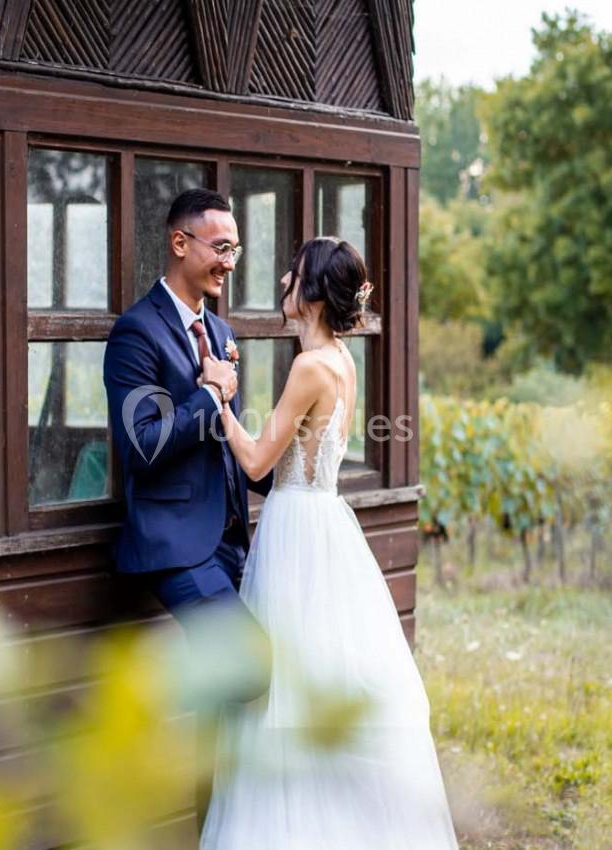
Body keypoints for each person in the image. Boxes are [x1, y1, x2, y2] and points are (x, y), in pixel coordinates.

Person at [199, 237, 459, 849]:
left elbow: (260, 460)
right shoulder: (342, 360)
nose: (283, 282)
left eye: (292, 277)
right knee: (315, 677)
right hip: (326, 527)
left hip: (295, 531)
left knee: (283, 691)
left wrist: (220, 396)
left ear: (310, 293)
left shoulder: (310, 366)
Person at [102, 188, 273, 704]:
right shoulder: (136, 332)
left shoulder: (220, 331)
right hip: (174, 544)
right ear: (180, 242)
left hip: (231, 541)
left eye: (235, 251)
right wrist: (209, 391)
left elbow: (228, 439)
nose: (229, 263)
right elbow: (143, 446)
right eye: (220, 248)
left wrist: (287, 469)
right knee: (252, 665)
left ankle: (212, 784)